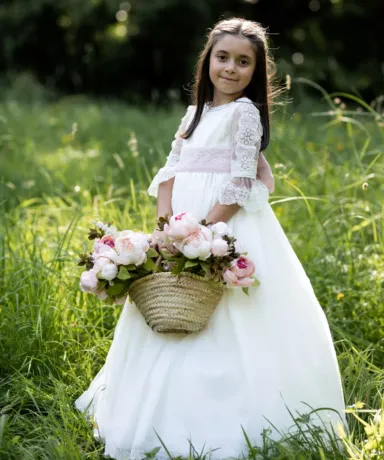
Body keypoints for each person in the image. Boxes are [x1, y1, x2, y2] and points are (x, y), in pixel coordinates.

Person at [75, 17, 347, 460]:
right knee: (171, 300)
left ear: (255, 72)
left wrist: (202, 231)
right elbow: (169, 173)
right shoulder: (194, 114)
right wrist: (166, 229)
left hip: (223, 224)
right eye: (223, 58)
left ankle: (227, 412)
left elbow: (240, 183)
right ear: (208, 62)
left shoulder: (244, 114)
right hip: (181, 223)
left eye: (244, 62)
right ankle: (155, 406)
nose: (231, 68)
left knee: (228, 313)